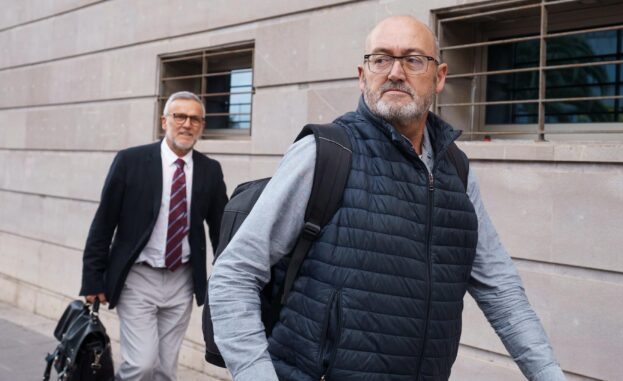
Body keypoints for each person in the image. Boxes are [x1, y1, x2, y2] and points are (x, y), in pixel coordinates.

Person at [209, 16, 565, 381]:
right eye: (381, 59)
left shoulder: (455, 168)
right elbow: (234, 274)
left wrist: (548, 373)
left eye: (413, 60)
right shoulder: (325, 152)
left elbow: (500, 287)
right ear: (363, 75)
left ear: (439, 77)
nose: (395, 72)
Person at [80, 91, 227, 381]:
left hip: (182, 280)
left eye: (195, 119)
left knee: (164, 370)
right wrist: (92, 278)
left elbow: (221, 229)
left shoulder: (210, 170)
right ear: (164, 121)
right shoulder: (129, 161)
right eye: (179, 116)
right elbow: (104, 222)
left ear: (202, 125)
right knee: (141, 365)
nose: (187, 124)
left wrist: (228, 278)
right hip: (138, 277)